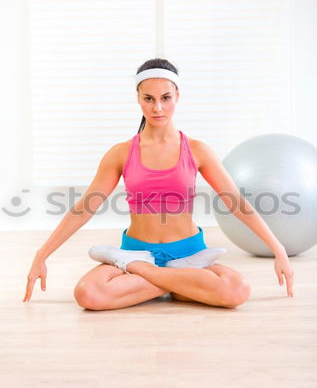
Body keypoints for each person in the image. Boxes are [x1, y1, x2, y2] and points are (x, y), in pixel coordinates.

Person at [23, 58, 294, 309]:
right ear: (138, 100)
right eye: (148, 99)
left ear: (178, 96)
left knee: (237, 291)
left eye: (166, 98)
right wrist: (41, 254)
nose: (158, 108)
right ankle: (178, 280)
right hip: (138, 250)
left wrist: (278, 248)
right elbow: (85, 208)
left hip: (189, 251)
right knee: (88, 293)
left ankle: (145, 272)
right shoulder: (121, 153)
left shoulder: (198, 150)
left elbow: (235, 202)